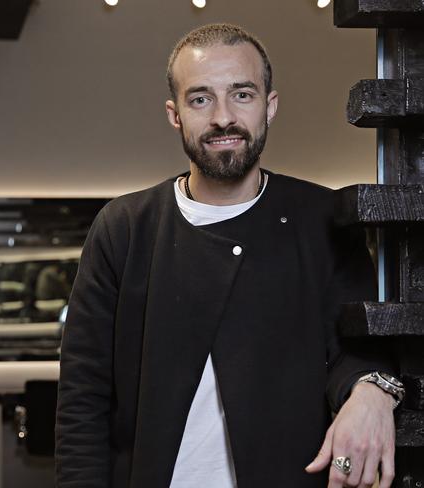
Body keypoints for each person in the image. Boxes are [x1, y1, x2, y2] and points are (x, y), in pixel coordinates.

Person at [55, 23, 403, 488]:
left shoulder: (323, 219)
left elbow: (358, 350)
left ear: (269, 105)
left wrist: (371, 390)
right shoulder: (123, 228)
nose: (223, 117)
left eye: (242, 94)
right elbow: (83, 396)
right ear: (175, 114)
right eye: (200, 99)